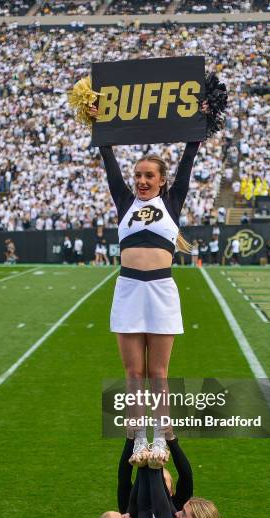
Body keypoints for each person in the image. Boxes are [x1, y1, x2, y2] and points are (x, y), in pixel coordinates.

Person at [88, 103, 206, 464]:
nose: (141, 181)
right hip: (127, 289)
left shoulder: (171, 201)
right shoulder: (124, 201)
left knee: (158, 372)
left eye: (148, 176)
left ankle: (162, 438)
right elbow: (107, 158)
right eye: (137, 175)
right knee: (133, 372)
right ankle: (139, 437)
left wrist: (199, 120)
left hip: (160, 290)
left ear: (162, 180)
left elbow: (189, 155)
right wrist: (96, 122)